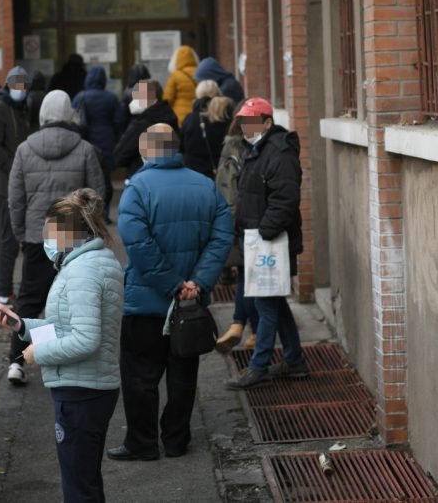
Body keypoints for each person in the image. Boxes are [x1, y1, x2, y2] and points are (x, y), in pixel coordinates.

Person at [0, 189, 123, 503]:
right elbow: (68, 328)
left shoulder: (82, 272)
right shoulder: (87, 263)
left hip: (82, 390)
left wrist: (37, 354)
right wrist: (21, 326)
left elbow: (85, 340)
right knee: (84, 480)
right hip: (87, 386)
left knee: (79, 487)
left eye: (50, 233)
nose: (45, 240)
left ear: (68, 233)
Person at [108, 124, 233, 461]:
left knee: (139, 377)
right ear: (176, 148)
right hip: (190, 306)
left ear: (147, 149)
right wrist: (197, 283)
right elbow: (222, 238)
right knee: (183, 374)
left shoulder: (137, 189)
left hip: (146, 304)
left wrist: (172, 284)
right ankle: (176, 440)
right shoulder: (206, 186)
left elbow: (137, 243)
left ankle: (142, 442)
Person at [7, 90, 106, 385]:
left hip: (39, 236)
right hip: (76, 240)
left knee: (29, 299)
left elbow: (15, 197)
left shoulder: (24, 149)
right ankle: (65, 358)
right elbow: (96, 195)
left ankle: (17, 362)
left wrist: (21, 232)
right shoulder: (85, 149)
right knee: (73, 300)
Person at [225, 98, 308, 389]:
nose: (246, 127)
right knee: (274, 301)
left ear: (267, 123)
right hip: (256, 240)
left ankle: (258, 366)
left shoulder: (279, 152)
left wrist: (265, 232)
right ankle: (295, 360)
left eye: (251, 121)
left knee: (265, 303)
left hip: (268, 242)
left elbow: (285, 199)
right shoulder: (257, 149)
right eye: (243, 121)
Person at [0, 66, 34, 305]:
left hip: (15, 182)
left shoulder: (20, 108)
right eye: (17, 86)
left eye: (24, 87)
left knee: (8, 239)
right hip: (3, 184)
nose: (20, 91)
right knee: (8, 238)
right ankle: (2, 293)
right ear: (8, 86)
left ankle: (3, 290)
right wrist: (15, 168)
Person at [214, 108, 258, 352]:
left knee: (246, 276)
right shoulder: (242, 151)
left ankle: (240, 324)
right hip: (245, 223)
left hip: (236, 223)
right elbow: (232, 194)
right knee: (251, 277)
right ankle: (250, 329)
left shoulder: (229, 150)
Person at [72, 66, 125, 222]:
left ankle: (86, 213)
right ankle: (104, 212)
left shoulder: (80, 97)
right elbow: (119, 121)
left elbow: (73, 119)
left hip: (86, 141)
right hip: (106, 141)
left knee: (85, 178)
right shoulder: (111, 98)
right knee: (104, 179)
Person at [113, 79, 178, 177]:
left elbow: (119, 156)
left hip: (142, 177)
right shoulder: (171, 117)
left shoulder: (141, 123)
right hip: (171, 175)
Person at [180, 80, 233, 178]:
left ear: (197, 96)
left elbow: (181, 147)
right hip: (222, 173)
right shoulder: (226, 116)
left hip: (193, 173)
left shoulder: (191, 119)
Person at [163, 46, 199, 126]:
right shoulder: (200, 72)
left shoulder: (175, 75)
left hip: (180, 117)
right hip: (198, 116)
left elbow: (167, 99)